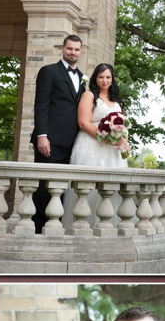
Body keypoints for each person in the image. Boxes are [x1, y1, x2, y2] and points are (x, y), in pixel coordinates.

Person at [28, 35, 84, 233]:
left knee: (60, 188)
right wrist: (42, 135)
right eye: (70, 49)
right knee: (43, 188)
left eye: (77, 50)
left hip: (71, 142)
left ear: (80, 51)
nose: (73, 53)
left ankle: (52, 229)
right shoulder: (49, 72)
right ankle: (37, 231)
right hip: (49, 140)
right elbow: (41, 104)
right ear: (63, 48)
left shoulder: (82, 77)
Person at [69, 63, 129, 168]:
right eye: (101, 77)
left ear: (112, 79)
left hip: (112, 150)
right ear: (95, 79)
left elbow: (124, 125)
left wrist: (123, 142)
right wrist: (107, 139)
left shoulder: (117, 102)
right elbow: (83, 123)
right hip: (91, 145)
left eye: (108, 77)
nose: (104, 80)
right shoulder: (89, 96)